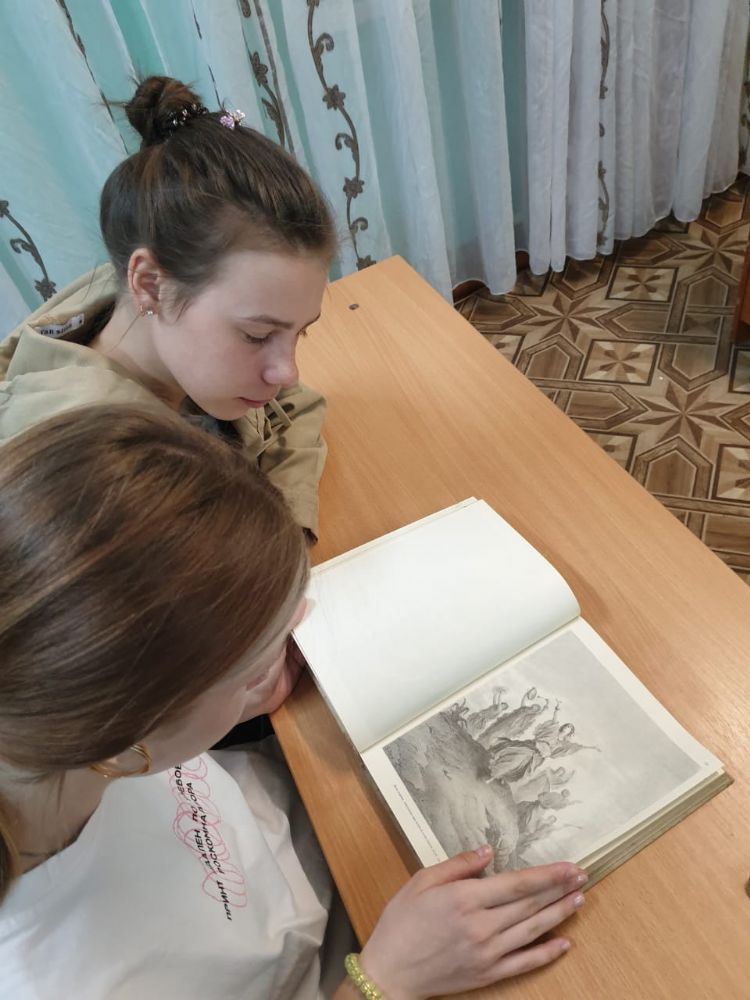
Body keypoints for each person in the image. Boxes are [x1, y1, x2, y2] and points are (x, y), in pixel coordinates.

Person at [0, 405, 587, 1000]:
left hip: (308, 831)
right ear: (131, 736)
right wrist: (383, 981)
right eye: (253, 664)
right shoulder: (52, 979)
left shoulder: (56, 729)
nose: (303, 624)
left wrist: (239, 700)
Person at [0, 75, 333, 542]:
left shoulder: (147, 326)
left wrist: (285, 526)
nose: (287, 370)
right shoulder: (84, 481)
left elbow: (296, 405)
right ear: (149, 284)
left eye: (300, 332)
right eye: (257, 335)